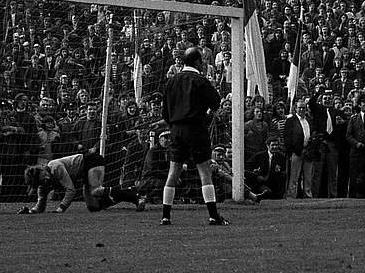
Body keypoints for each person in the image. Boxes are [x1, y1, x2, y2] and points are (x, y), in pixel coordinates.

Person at [159, 46, 228, 226]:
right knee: (204, 172)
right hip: (196, 129)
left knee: (173, 171)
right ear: (198, 62)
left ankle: (166, 216)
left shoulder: (171, 81)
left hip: (176, 129)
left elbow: (165, 112)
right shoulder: (200, 80)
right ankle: (213, 215)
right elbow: (216, 102)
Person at [19, 150, 142, 213]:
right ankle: (132, 194)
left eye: (43, 176)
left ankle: (135, 193)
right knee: (93, 207)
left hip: (91, 161)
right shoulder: (42, 184)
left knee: (95, 190)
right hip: (83, 172)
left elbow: (70, 190)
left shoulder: (55, 167)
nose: (45, 180)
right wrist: (31, 211)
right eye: (41, 182)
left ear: (42, 170)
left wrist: (60, 209)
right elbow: (40, 204)